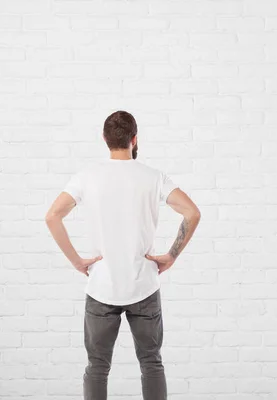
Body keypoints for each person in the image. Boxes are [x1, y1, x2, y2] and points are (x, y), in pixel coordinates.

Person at [44, 110, 201, 400]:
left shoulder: (86, 176)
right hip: (144, 285)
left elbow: (53, 215)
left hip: (102, 286)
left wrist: (77, 261)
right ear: (134, 138)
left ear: (104, 139)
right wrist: (171, 255)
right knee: (151, 363)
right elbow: (192, 213)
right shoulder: (153, 177)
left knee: (97, 367)